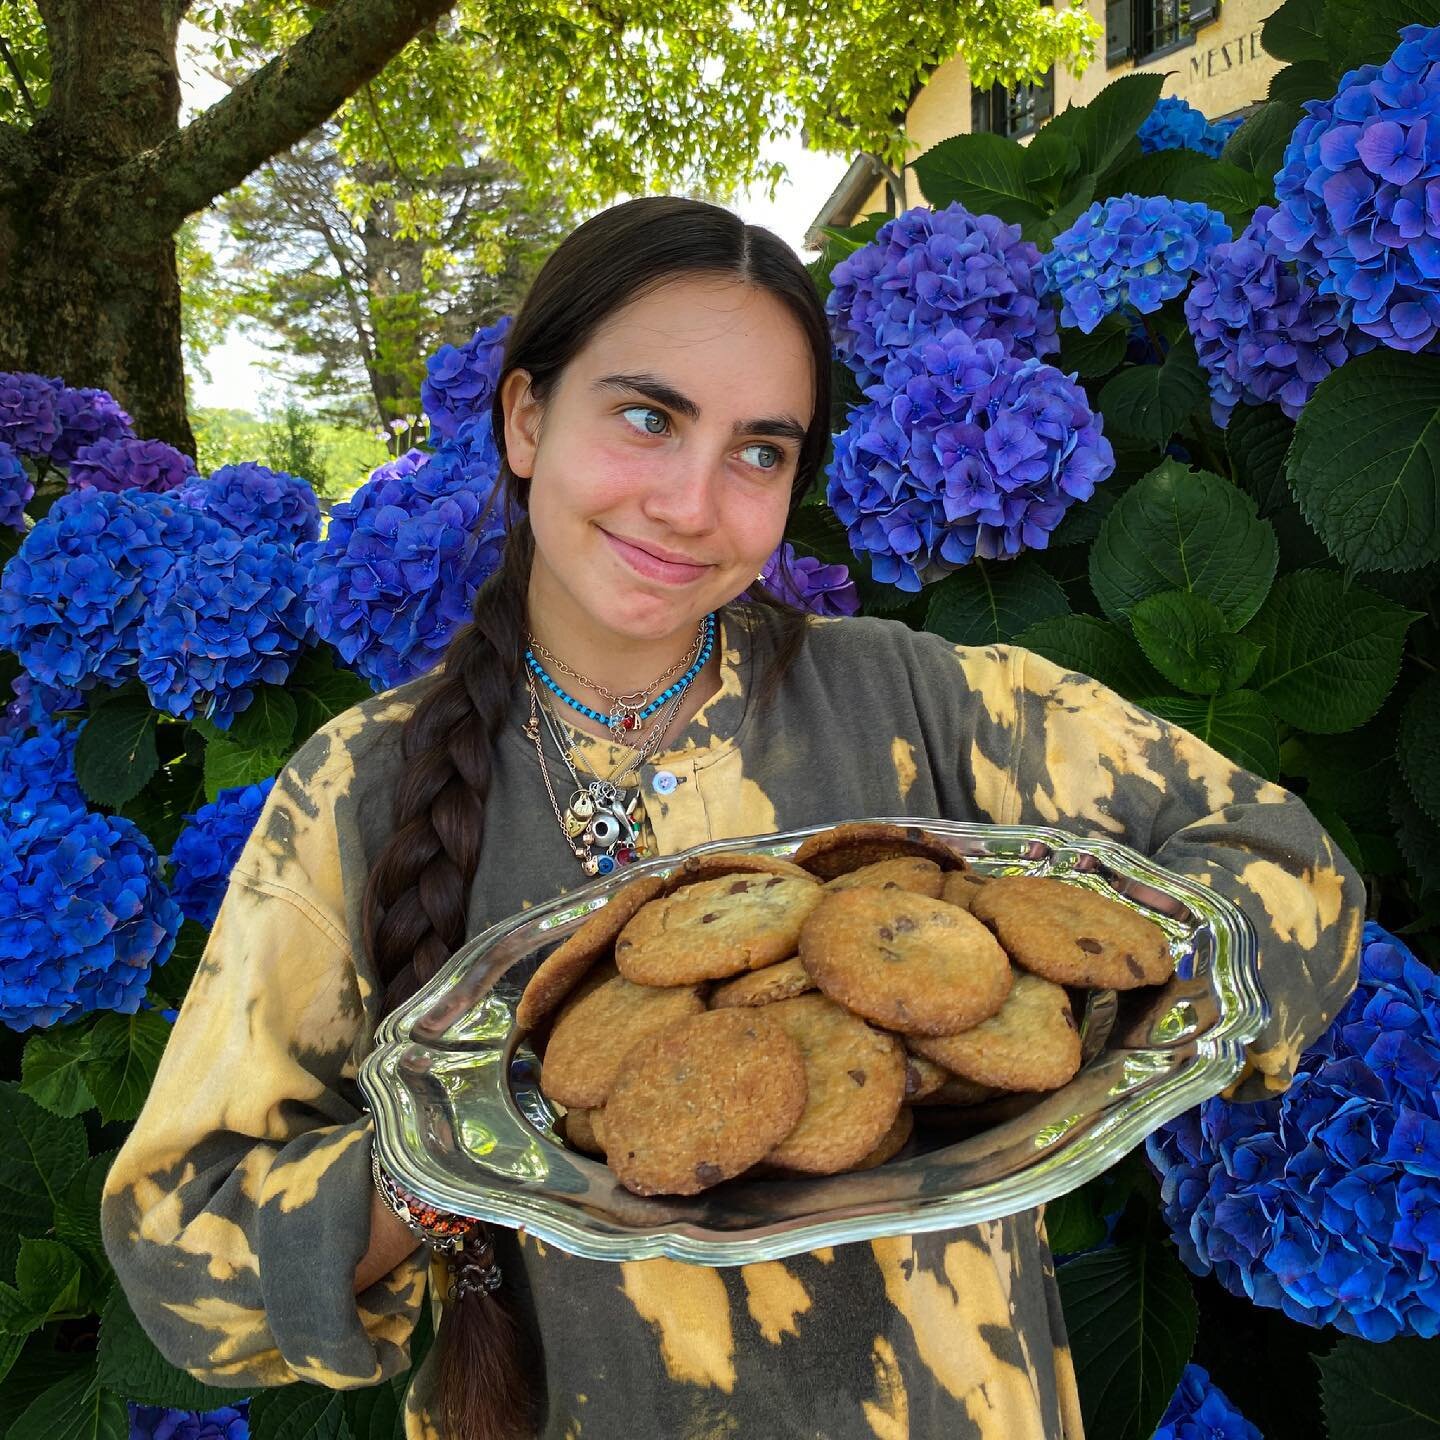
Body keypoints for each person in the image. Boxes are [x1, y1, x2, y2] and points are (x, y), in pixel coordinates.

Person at [101, 196, 1363, 1440]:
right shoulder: (358, 787)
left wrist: (1094, 1038)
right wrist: (455, 1170)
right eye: (648, 417)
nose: (693, 504)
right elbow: (182, 1253)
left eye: (760, 450)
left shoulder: (919, 696)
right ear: (526, 415)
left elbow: (1288, 865)